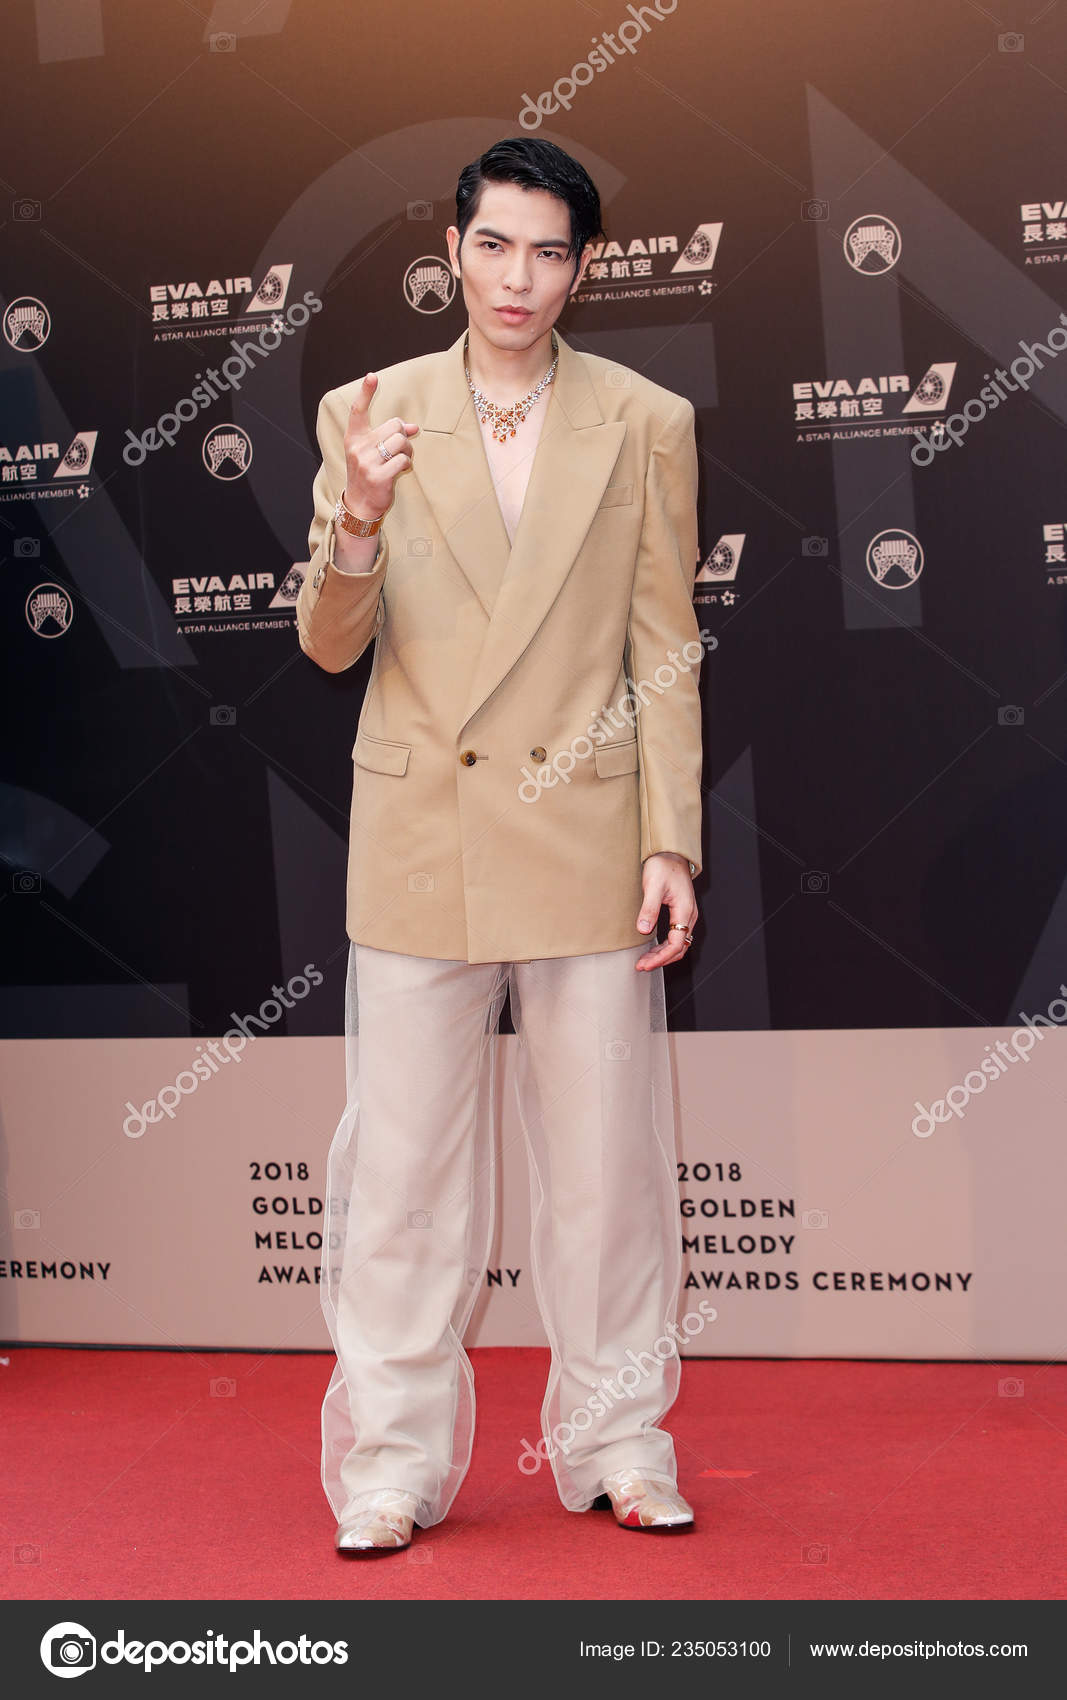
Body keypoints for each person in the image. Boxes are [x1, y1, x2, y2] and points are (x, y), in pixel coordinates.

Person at [296, 137, 704, 1554]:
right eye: (495, 245)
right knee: (403, 1179)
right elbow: (328, 641)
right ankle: (390, 1465)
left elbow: (666, 647)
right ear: (452, 250)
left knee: (605, 1176)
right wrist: (357, 512)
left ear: (583, 267)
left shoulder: (645, 418)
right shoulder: (371, 408)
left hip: (585, 835)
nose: (519, 278)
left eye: (550, 252)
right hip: (423, 837)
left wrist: (672, 837)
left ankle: (617, 1439)